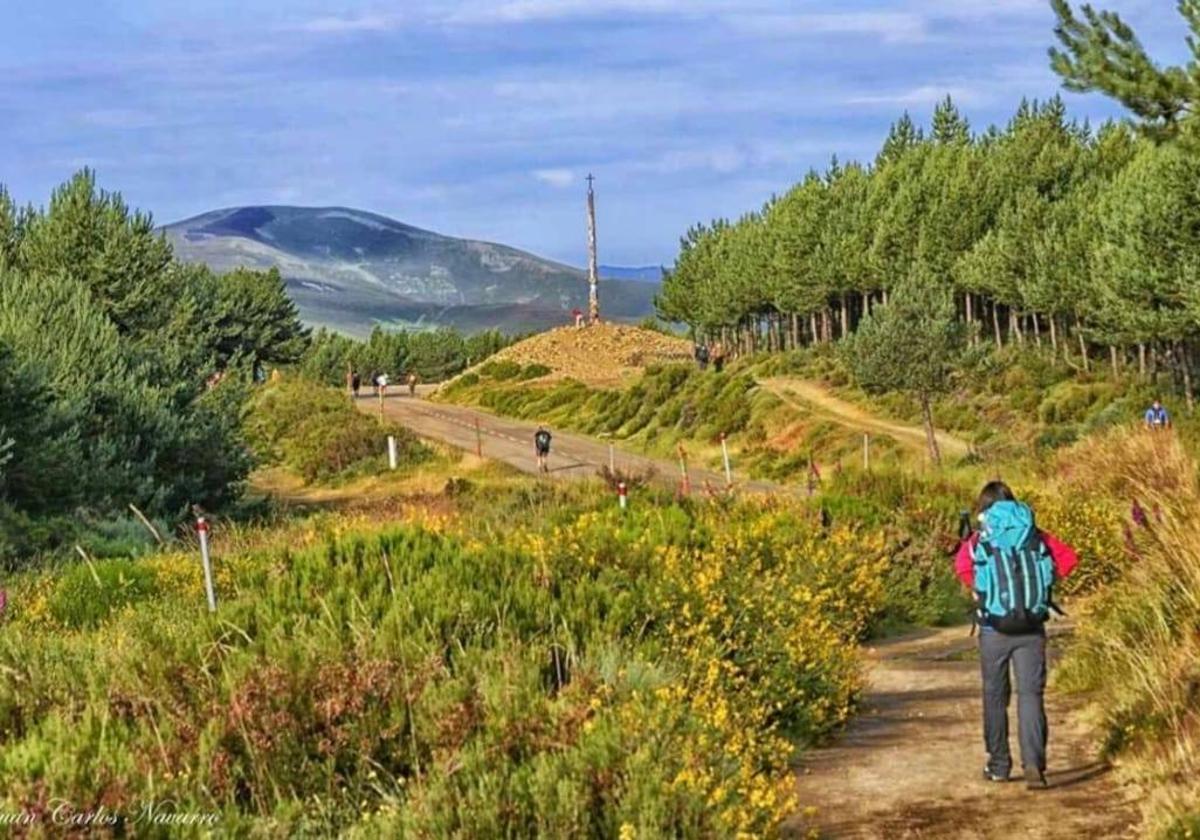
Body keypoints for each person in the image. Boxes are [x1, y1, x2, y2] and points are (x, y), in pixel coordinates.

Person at [955, 481, 1078, 790]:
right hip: (1032, 627)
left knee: (995, 696)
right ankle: (1034, 765)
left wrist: (980, 590)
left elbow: (962, 567)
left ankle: (998, 766)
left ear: (984, 507)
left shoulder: (979, 538)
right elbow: (1069, 559)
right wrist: (1040, 586)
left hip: (992, 628)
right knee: (1031, 696)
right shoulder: (1033, 533)